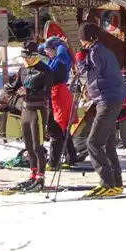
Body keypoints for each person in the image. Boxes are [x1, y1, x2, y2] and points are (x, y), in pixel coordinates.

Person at [75, 21, 126, 198]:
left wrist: (80, 61)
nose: (81, 44)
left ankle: (107, 182)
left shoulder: (95, 52)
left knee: (93, 142)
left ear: (87, 39)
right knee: (106, 142)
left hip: (107, 100)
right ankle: (115, 182)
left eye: (82, 40)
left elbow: (89, 75)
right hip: (111, 98)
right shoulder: (102, 50)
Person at [5, 41, 56, 192]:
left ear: (35, 56)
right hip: (26, 110)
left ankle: (40, 177)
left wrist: (26, 92)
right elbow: (16, 86)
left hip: (39, 110)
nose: (26, 60)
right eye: (24, 57)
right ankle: (33, 174)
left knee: (37, 145)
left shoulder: (44, 70)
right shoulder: (23, 70)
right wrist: (10, 89)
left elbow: (46, 93)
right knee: (28, 146)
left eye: (28, 57)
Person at [42, 36, 78, 170]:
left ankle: (53, 161)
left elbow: (61, 53)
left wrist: (62, 44)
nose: (46, 52)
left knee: (55, 128)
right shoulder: (55, 58)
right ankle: (71, 157)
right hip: (59, 95)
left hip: (58, 96)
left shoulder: (62, 58)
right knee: (63, 128)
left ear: (56, 49)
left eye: (48, 49)